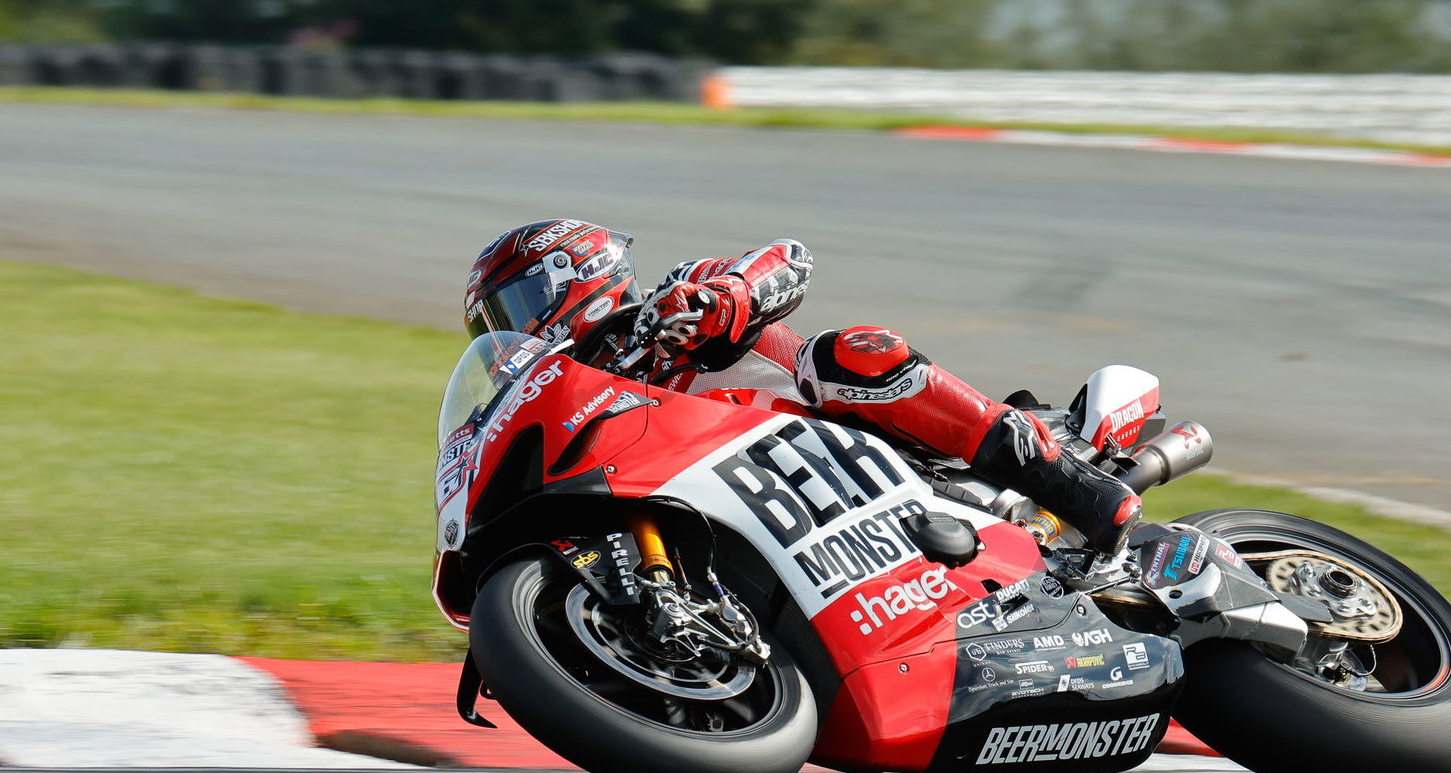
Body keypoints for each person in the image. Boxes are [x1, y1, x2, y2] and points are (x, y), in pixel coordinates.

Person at [462, 219, 1142, 553]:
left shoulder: (675, 304)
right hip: (784, 522)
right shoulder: (582, 406)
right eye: (496, 327)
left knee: (851, 353)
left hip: (862, 454)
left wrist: (719, 296)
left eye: (513, 311)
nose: (512, 335)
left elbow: (788, 259)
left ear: (569, 278)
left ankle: (1070, 485)